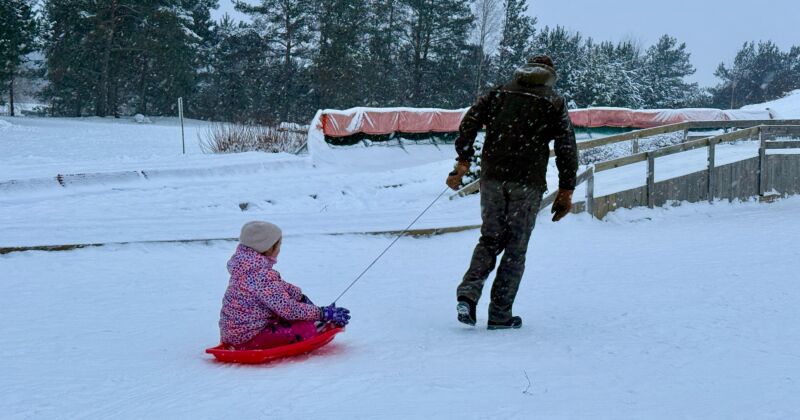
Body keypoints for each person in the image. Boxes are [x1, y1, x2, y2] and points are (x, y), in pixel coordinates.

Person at [446, 55, 578, 330]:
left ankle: (468, 295)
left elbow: (469, 120)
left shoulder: (499, 92)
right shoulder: (553, 100)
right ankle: (499, 315)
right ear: (550, 74)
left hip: (492, 177)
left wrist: (464, 159)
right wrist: (566, 189)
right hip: (526, 182)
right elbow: (566, 146)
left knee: (490, 238)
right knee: (516, 248)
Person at [219, 221, 351, 350]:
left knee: (297, 314)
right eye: (279, 245)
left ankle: (313, 321)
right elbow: (287, 309)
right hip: (247, 339)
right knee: (305, 329)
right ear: (269, 248)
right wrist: (321, 313)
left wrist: (300, 297)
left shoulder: (247, 267)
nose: (280, 249)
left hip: (235, 334)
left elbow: (278, 288)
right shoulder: (261, 275)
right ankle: (316, 326)